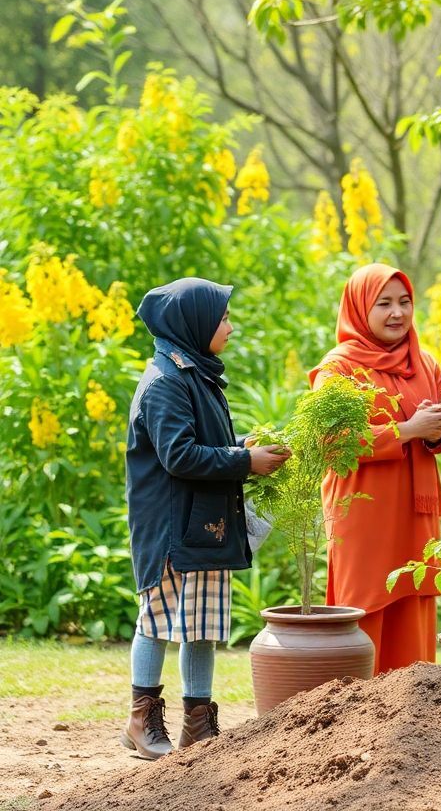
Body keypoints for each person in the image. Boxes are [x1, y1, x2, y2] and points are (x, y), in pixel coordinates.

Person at [124, 278, 291, 759]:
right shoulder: (164, 382)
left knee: (202, 623)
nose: (230, 327)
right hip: (172, 528)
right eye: (222, 319)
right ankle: (141, 721)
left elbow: (205, 443)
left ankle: (198, 726)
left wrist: (246, 448)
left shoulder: (196, 373)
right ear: (193, 323)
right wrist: (245, 462)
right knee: (156, 620)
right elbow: (179, 456)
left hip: (204, 522)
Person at [310, 263, 441, 675]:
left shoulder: (424, 363)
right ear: (360, 308)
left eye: (405, 302)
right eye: (384, 304)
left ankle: (414, 714)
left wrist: (435, 433)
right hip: (363, 512)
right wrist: (407, 430)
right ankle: (358, 717)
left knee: (412, 602)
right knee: (364, 603)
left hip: (416, 512)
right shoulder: (337, 369)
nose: (398, 313)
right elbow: (332, 440)